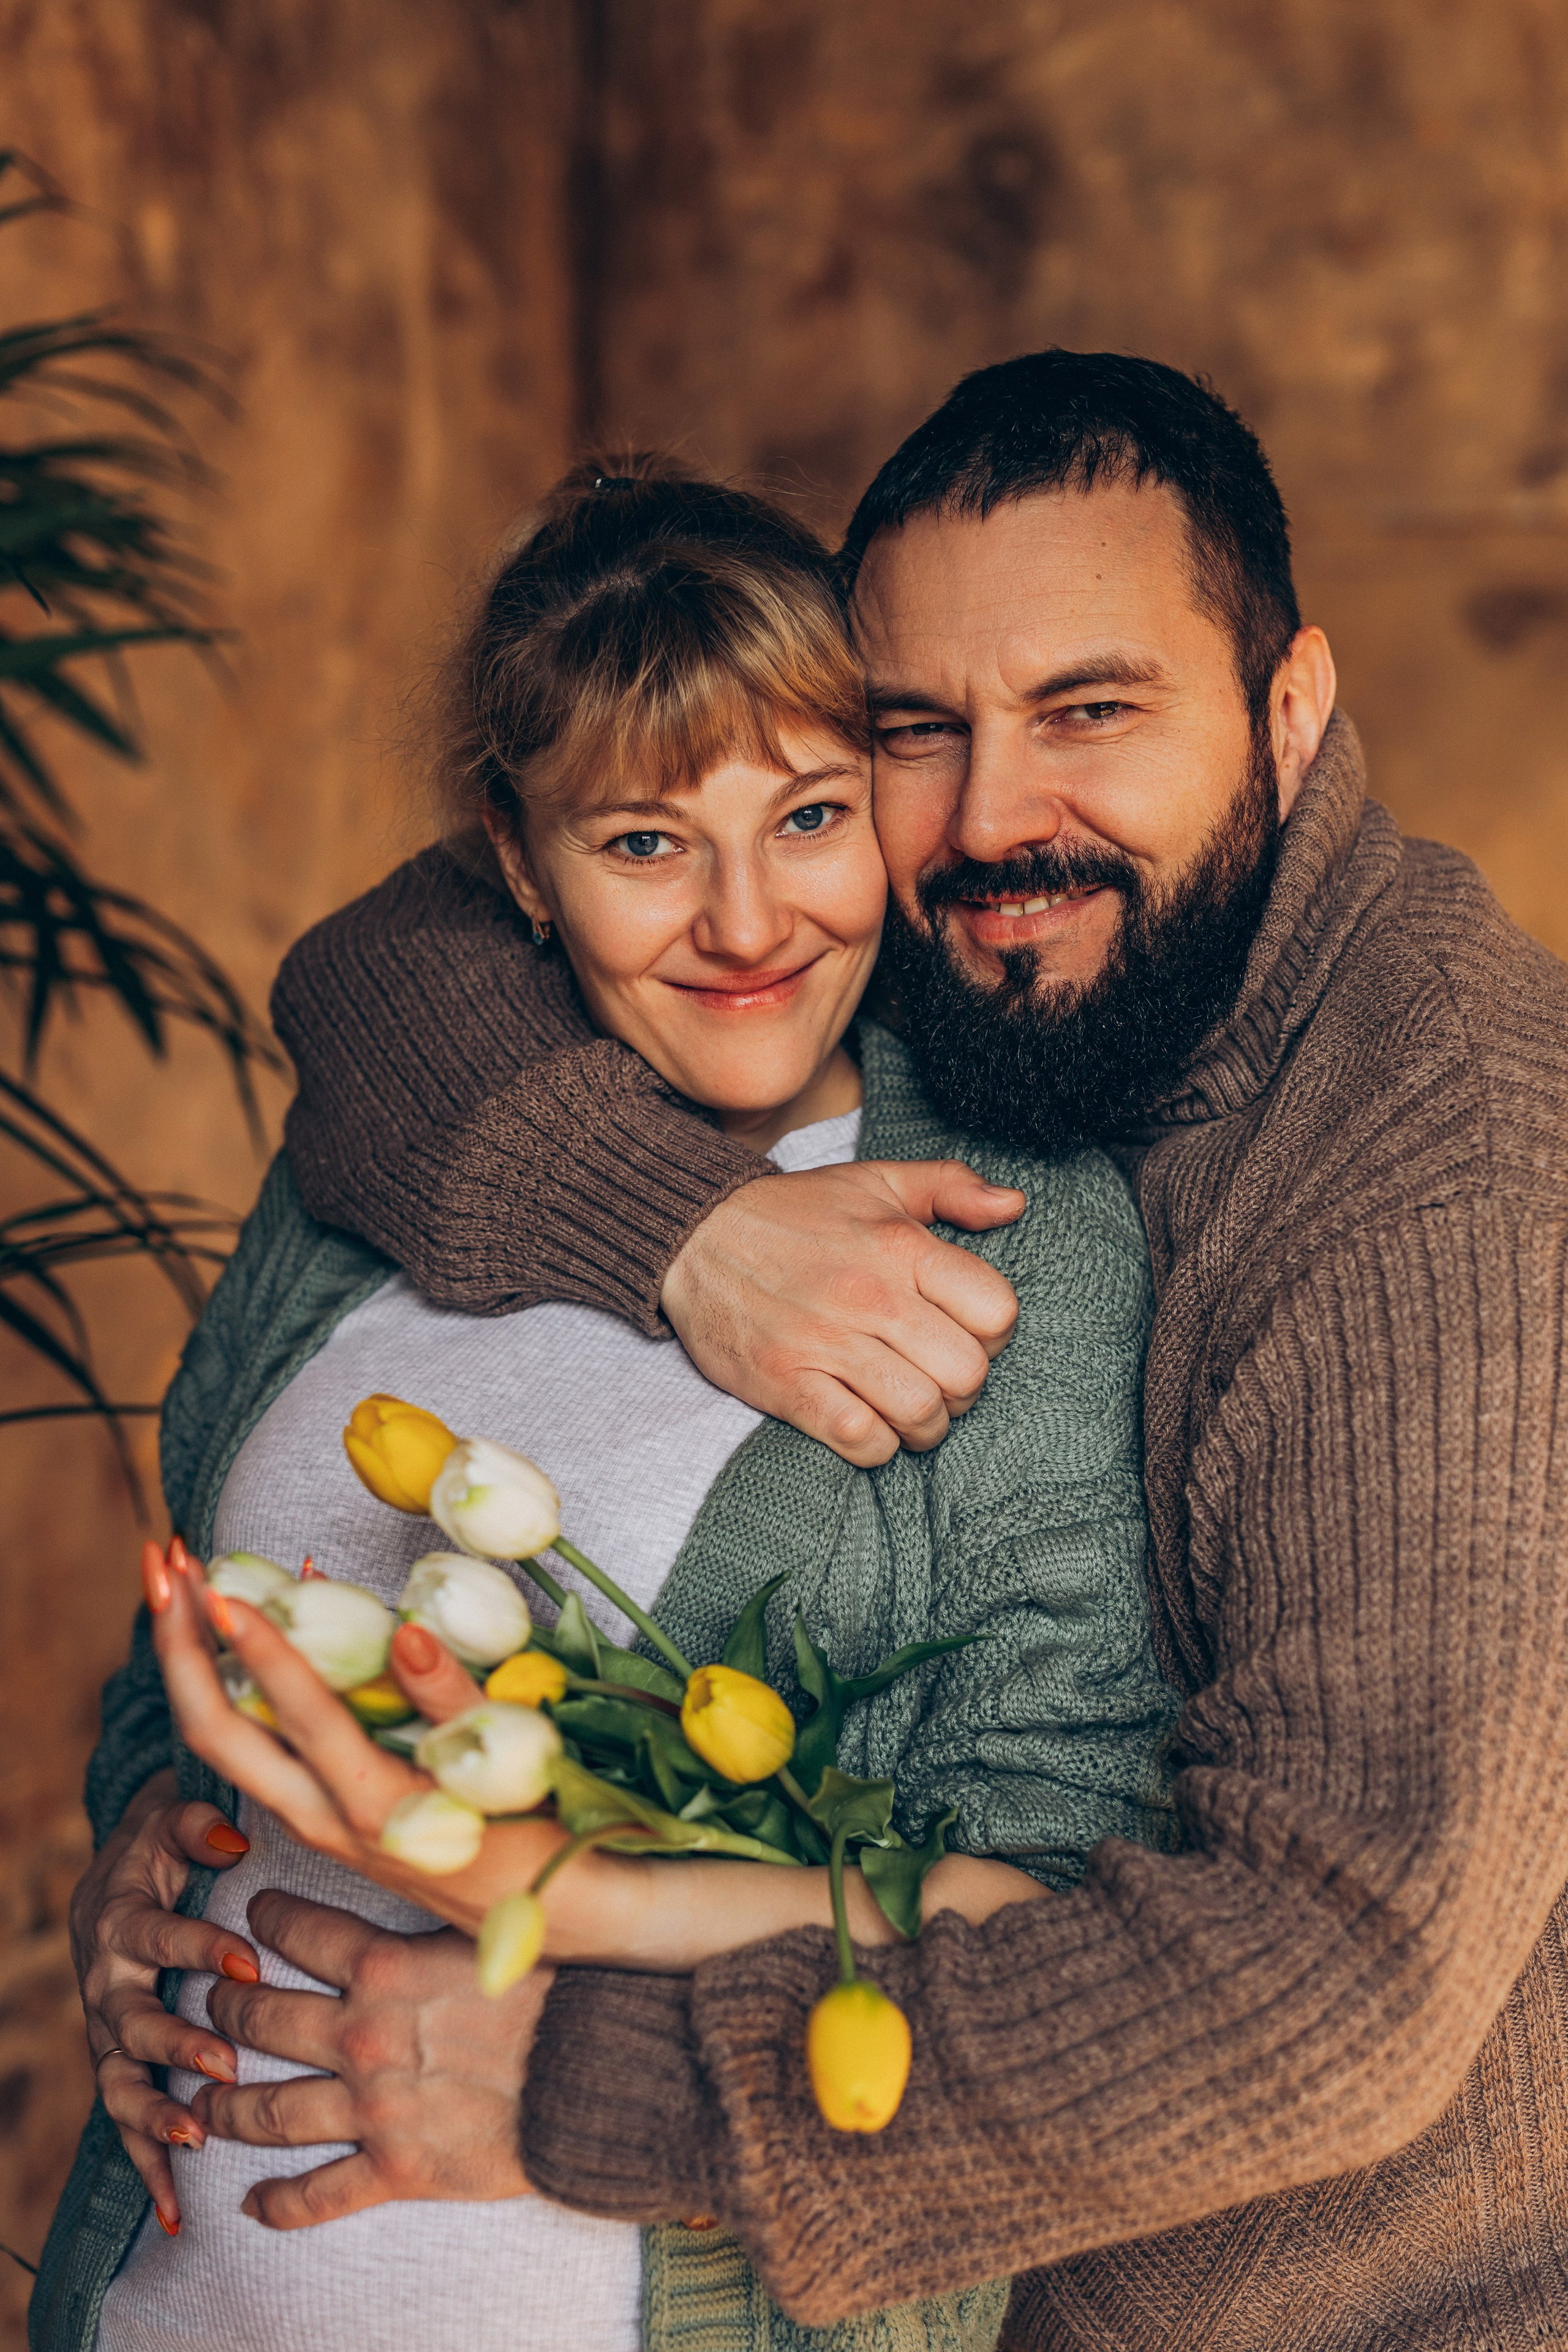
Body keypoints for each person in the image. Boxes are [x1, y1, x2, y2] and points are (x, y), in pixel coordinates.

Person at [49, 345, 1568, 2349]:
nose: (997, 815)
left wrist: (594, 2074)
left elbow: (1343, 1971)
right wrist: (677, 1235)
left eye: (1093, 711)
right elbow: (387, 965)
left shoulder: (1436, 1178)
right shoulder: (1004, 963)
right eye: (922, 729)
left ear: (1292, 709)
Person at [36, 456, 1182, 2352]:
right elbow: (193, 1641)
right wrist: (134, 1848)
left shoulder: (1024, 1234)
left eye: (812, 817)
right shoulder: (371, 1179)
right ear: (518, 855)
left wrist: (591, 2024)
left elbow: (1062, 1925)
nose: (747, 923)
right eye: (646, 844)